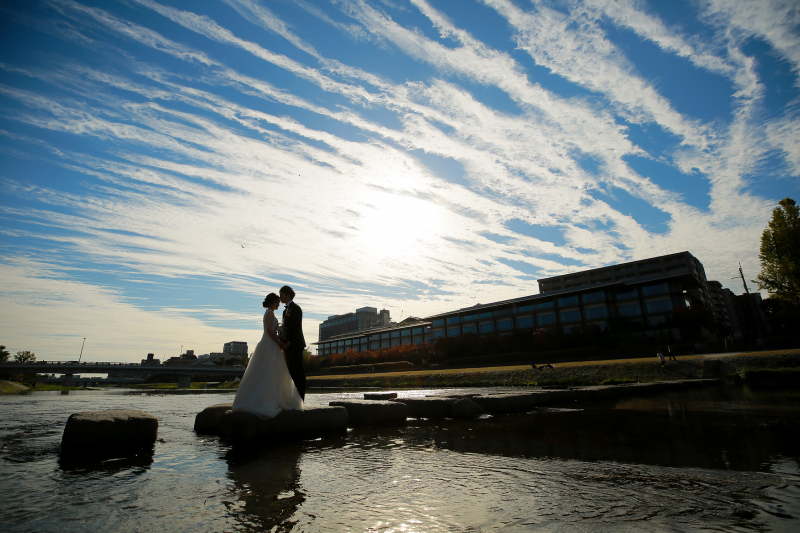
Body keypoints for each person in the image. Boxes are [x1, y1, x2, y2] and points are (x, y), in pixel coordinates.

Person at [231, 293, 303, 418]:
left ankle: (267, 399)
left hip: (270, 344)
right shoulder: (269, 313)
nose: (278, 304)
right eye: (277, 301)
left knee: (270, 372)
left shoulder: (270, 313)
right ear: (271, 302)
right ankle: (266, 401)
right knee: (269, 371)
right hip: (269, 343)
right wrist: (279, 342)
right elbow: (269, 330)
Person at [279, 285, 307, 400]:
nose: (280, 297)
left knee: (298, 371)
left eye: (282, 294)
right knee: (291, 372)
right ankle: (293, 399)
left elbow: (296, 328)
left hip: (295, 344)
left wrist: (289, 342)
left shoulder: (296, 308)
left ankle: (300, 398)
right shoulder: (285, 311)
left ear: (288, 295)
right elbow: (285, 328)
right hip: (287, 346)